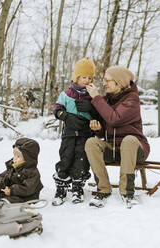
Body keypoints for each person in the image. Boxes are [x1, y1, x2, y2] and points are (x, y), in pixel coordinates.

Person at [84, 66, 150, 208]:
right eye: (104, 80)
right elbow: (107, 128)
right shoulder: (107, 101)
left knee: (129, 140)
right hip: (114, 150)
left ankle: (127, 192)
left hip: (135, 150)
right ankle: (103, 188)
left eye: (108, 80)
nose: (104, 83)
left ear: (119, 83)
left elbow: (115, 119)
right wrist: (99, 129)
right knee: (91, 143)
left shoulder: (132, 100)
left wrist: (96, 97)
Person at [52, 57, 97, 206]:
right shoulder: (66, 94)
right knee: (66, 158)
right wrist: (64, 115)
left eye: (90, 77)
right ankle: (61, 188)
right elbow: (57, 109)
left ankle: (77, 188)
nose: (87, 80)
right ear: (77, 77)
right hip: (69, 134)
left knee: (81, 161)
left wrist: (92, 108)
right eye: (84, 77)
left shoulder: (92, 96)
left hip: (85, 134)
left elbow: (98, 114)